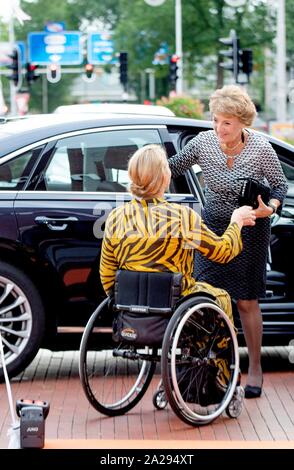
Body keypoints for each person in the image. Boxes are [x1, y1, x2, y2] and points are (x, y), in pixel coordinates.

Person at [168, 85, 288, 399]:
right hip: (214, 229)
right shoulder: (204, 143)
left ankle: (255, 368)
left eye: (227, 123)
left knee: (246, 300)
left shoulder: (260, 148)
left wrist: (270, 209)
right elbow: (171, 168)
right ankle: (216, 367)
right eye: (216, 120)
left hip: (250, 229)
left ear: (242, 123)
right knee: (207, 297)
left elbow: (279, 185)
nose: (219, 128)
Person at [100, 144, 256, 329]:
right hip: (177, 301)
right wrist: (236, 222)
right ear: (165, 177)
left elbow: (107, 276)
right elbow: (223, 252)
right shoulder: (182, 217)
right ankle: (219, 356)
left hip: (131, 302)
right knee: (221, 296)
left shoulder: (116, 217)